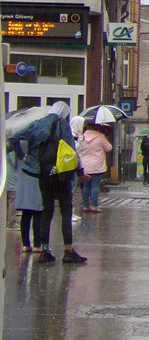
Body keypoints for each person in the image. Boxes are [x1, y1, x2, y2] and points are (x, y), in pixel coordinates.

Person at [9, 101, 88, 264]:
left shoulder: (37, 124)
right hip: (61, 174)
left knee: (47, 211)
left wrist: (23, 156)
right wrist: (79, 172)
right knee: (66, 211)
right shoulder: (62, 125)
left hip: (43, 173)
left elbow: (14, 137)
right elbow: (70, 151)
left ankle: (44, 250)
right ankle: (68, 250)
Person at [12, 141, 44, 254]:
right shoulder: (39, 142)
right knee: (38, 213)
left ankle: (26, 244)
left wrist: (21, 155)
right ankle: (37, 244)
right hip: (36, 181)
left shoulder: (19, 143)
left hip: (23, 183)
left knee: (26, 214)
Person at [80, 123, 113, 213]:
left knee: (85, 186)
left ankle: (85, 206)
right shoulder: (100, 136)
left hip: (84, 165)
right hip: (97, 165)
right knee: (95, 185)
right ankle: (94, 206)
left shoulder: (81, 137)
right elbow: (109, 148)